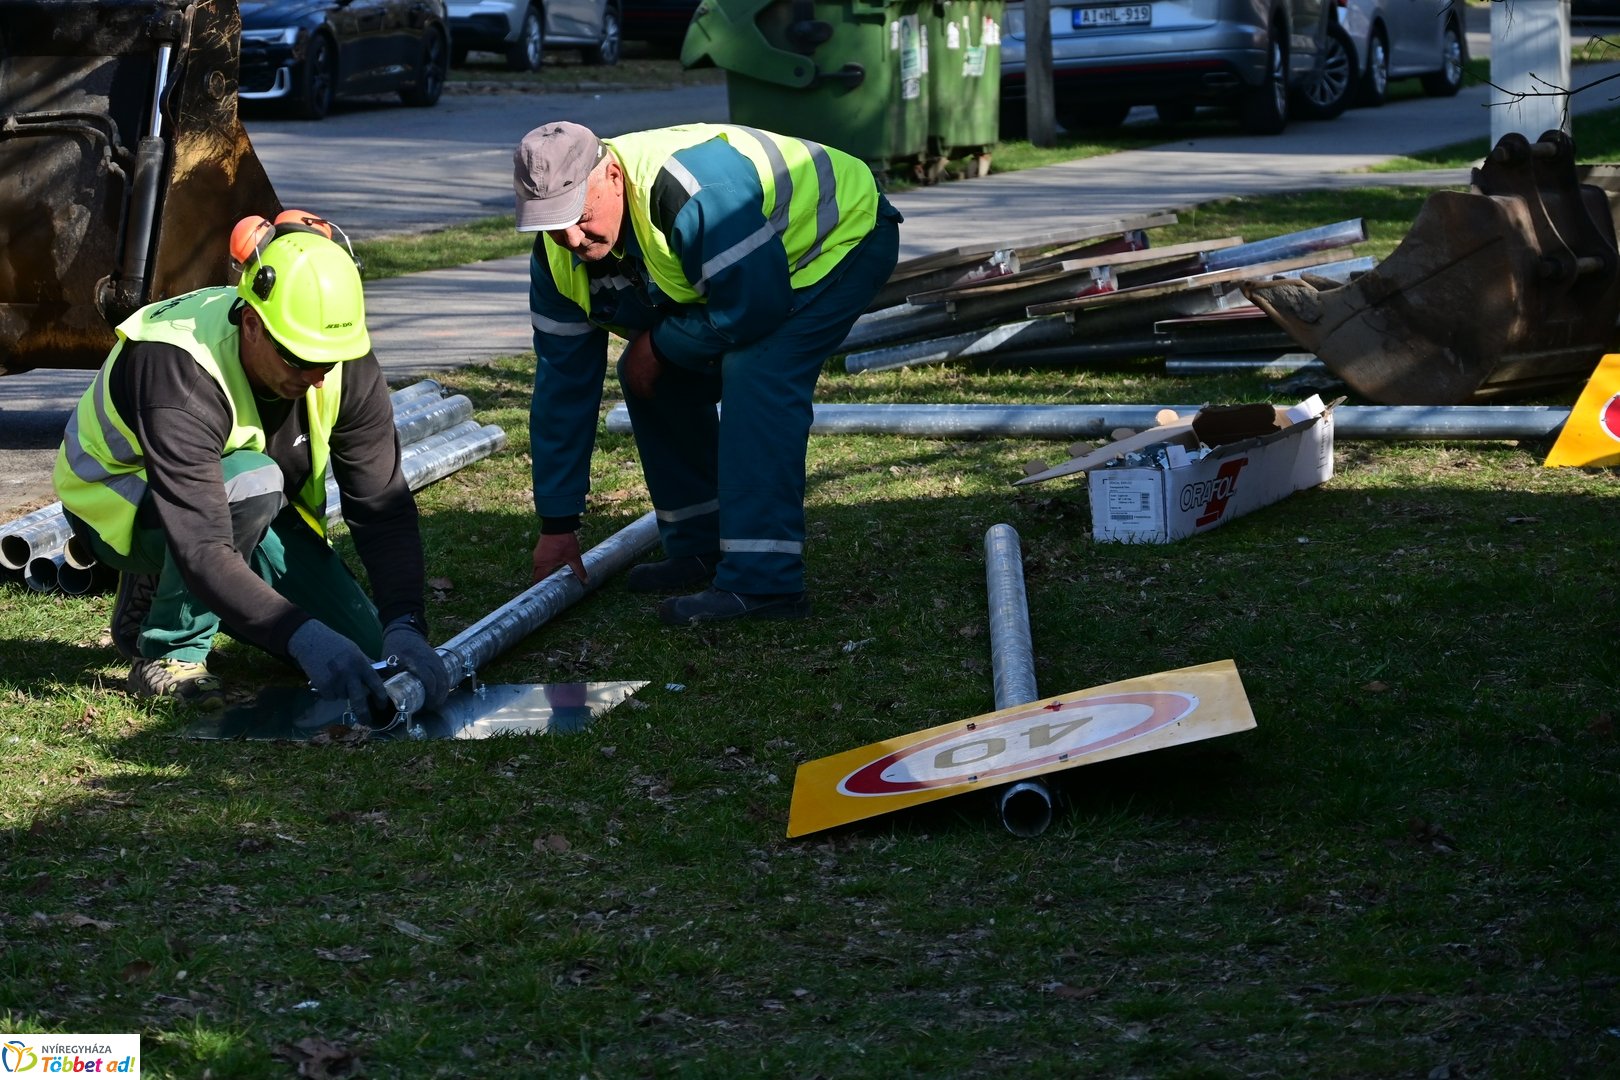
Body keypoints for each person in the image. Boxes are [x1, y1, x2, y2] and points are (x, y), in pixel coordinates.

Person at [53, 213, 452, 714]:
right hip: (122, 508)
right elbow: (202, 546)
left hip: (243, 505)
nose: (317, 378)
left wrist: (406, 623)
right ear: (251, 324)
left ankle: (175, 588)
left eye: (326, 363)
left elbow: (382, 506)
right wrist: (297, 636)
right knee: (250, 481)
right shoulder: (178, 365)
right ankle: (169, 651)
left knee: (368, 651)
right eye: (298, 359)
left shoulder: (341, 356)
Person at [513, 121, 902, 625]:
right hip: (751, 273)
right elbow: (561, 390)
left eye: (580, 216)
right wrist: (557, 522)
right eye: (551, 223)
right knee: (649, 376)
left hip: (838, 239)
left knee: (757, 371)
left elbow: (755, 307)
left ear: (612, 176)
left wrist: (659, 344)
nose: (570, 238)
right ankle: (699, 545)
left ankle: (764, 584)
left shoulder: (690, 193)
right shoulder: (556, 261)